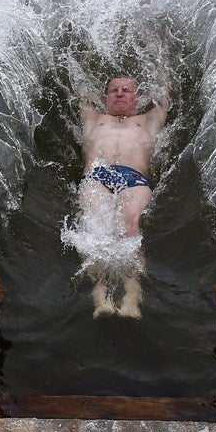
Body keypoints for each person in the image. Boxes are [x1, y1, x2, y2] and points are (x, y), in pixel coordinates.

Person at [77, 74, 170, 318]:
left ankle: (131, 296)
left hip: (134, 177)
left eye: (126, 90)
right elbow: (82, 88)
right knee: (97, 226)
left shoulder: (147, 120)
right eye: (114, 90)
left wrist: (161, 64)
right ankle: (101, 297)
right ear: (105, 98)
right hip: (97, 176)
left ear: (137, 99)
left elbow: (164, 99)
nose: (119, 93)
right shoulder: (94, 118)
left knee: (131, 223)